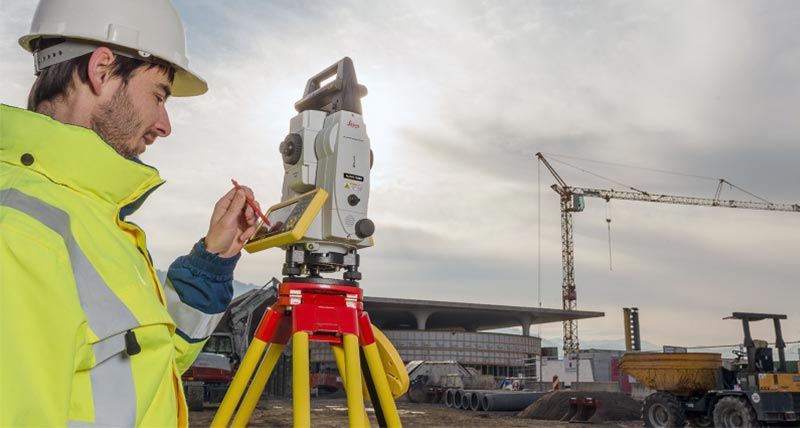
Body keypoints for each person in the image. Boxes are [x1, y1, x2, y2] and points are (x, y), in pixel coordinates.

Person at [0, 1, 259, 426]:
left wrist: (214, 258)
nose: (164, 125)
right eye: (159, 95)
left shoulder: (90, 219)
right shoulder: (20, 232)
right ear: (102, 70)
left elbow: (147, 365)